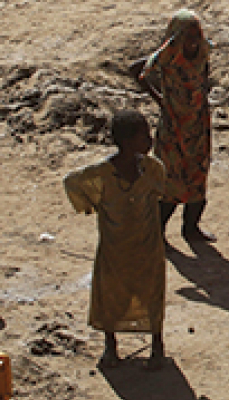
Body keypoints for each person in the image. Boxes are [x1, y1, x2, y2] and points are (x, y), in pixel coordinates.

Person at [64, 110, 167, 370]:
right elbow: (71, 182)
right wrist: (90, 205)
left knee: (151, 294)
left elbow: (161, 188)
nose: (150, 140)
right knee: (111, 295)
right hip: (115, 248)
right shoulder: (102, 174)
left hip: (147, 247)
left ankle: (157, 346)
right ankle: (110, 346)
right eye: (144, 136)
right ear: (128, 141)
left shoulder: (152, 169)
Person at [131, 10, 215, 243]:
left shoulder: (203, 50)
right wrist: (160, 99)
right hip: (173, 127)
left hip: (198, 126)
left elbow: (204, 73)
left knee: (198, 176)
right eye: (188, 36)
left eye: (196, 35)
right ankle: (157, 233)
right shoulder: (168, 54)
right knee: (170, 181)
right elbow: (137, 71)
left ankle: (191, 228)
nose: (192, 41)